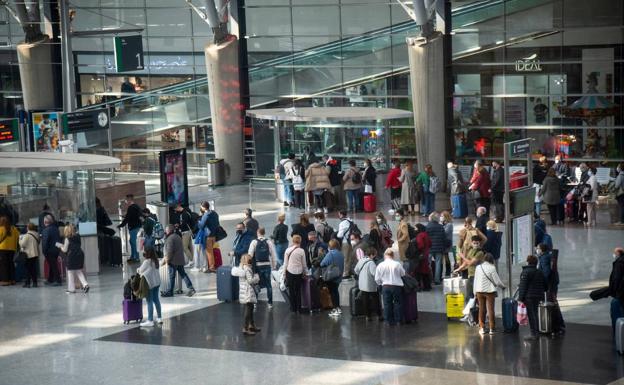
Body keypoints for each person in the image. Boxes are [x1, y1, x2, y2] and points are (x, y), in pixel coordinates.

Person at [473, 253, 506, 335]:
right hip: (489, 291)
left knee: (481, 309)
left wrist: (474, 292)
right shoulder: (492, 268)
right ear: (491, 260)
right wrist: (503, 286)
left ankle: (482, 328)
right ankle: (492, 328)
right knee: (490, 310)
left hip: (479, 290)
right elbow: (497, 281)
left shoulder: (478, 267)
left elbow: (475, 280)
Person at [518, 254, 547, 341]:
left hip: (529, 297)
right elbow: (546, 285)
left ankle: (534, 334)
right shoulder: (540, 272)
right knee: (535, 313)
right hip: (538, 296)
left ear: (528, 262)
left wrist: (520, 299)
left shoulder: (526, 272)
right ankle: (536, 332)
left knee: (532, 315)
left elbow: (523, 286)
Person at [161, 225, 195, 297]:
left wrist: (167, 260)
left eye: (166, 230)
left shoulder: (170, 238)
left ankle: (170, 292)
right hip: (180, 259)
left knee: (172, 277)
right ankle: (191, 288)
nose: (165, 231)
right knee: (183, 274)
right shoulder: (177, 236)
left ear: (169, 230)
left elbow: (169, 251)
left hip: (173, 261)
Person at [231, 253, 261, 335]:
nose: (251, 260)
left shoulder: (242, 268)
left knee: (250, 308)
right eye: (249, 259)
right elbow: (250, 280)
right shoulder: (247, 269)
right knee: (248, 310)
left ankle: (251, 325)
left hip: (244, 291)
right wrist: (257, 277)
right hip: (248, 291)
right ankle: (246, 327)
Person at [375, 248, 405, 326]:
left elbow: (377, 279)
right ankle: (398, 320)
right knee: (398, 303)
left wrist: (380, 283)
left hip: (385, 286)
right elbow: (403, 274)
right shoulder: (397, 264)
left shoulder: (380, 265)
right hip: (396, 286)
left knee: (387, 304)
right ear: (393, 255)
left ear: (385, 256)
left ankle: (388, 321)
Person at [454, 235, 486, 309]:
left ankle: (471, 312)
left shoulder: (480, 253)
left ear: (480, 243)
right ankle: (470, 312)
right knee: (470, 295)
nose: (475, 245)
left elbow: (471, 263)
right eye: (474, 243)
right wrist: (459, 268)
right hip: (470, 275)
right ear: (471, 243)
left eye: (477, 243)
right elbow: (466, 262)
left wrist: (462, 256)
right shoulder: (471, 250)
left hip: (476, 276)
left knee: (471, 295)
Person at [248, 227, 276, 308]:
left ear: (258, 233)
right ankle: (270, 303)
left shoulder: (254, 242)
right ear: (264, 233)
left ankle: (255, 302)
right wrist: (273, 266)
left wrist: (249, 266)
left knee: (256, 283)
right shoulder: (268, 242)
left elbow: (250, 255)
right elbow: (273, 255)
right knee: (268, 285)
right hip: (267, 265)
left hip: (257, 266)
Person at [56, 224, 89, 294]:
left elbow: (65, 250)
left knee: (70, 272)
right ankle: (85, 285)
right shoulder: (78, 236)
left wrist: (60, 246)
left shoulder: (67, 239)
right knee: (79, 271)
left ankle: (71, 289)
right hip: (80, 254)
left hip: (72, 256)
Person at [137, 248, 162, 327]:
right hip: (157, 283)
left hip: (149, 284)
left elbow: (140, 270)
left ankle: (150, 320)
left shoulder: (147, 262)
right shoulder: (156, 260)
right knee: (156, 300)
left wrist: (137, 269)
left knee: (149, 301)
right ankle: (159, 317)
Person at [354, 248, 381, 320]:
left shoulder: (361, 260)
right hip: (370, 285)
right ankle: (379, 315)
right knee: (375, 300)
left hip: (362, 284)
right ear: (371, 255)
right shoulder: (371, 263)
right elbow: (374, 273)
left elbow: (356, 270)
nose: (375, 256)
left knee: (365, 300)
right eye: (375, 254)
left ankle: (368, 316)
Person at [283, 235, 308, 313]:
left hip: (290, 272)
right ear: (300, 241)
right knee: (298, 291)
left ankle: (293, 308)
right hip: (299, 272)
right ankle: (299, 308)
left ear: (293, 241)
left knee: (291, 290)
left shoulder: (287, 250)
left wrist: (284, 274)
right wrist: (306, 273)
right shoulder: (302, 251)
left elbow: (285, 263)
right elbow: (304, 264)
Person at [320, 239, 345, 317]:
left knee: (333, 293)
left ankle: (336, 309)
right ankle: (338, 309)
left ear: (330, 246)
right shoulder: (341, 254)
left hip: (331, 277)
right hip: (338, 276)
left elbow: (322, 263)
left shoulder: (330, 254)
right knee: (335, 292)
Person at [118, 194, 142, 263]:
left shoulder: (131, 208)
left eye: (126, 199)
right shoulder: (136, 206)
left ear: (129, 200)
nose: (125, 201)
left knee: (133, 242)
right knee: (131, 241)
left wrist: (120, 225)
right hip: (136, 226)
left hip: (133, 227)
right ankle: (133, 256)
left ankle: (136, 257)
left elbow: (127, 219)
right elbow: (131, 216)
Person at [197, 201, 220, 272]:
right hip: (214, 235)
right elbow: (217, 223)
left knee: (209, 252)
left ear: (204, 207)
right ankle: (211, 266)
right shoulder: (214, 213)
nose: (201, 208)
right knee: (211, 251)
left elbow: (201, 226)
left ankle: (211, 267)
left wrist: (198, 222)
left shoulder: (206, 215)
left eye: (201, 207)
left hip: (208, 237)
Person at [426, 212, 446, 285]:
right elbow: (444, 237)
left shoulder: (427, 226)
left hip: (430, 248)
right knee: (438, 264)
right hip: (439, 248)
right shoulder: (440, 227)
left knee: (428, 264)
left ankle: (429, 279)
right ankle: (437, 280)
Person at [41, 215, 62, 286]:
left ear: (45, 222)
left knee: (53, 265)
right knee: (52, 265)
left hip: (49, 251)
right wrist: (58, 249)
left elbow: (45, 242)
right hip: (56, 250)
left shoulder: (46, 230)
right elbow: (59, 239)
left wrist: (44, 251)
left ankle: (58, 280)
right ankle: (50, 279)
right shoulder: (56, 229)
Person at [336, 210, 357, 278]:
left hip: (345, 242)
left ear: (341, 215)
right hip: (352, 241)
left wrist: (336, 233)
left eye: (339, 215)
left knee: (345, 258)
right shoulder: (350, 221)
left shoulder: (342, 223)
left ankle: (345, 272)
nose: (338, 216)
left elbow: (340, 235)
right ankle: (350, 270)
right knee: (350, 257)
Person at [19, 223, 40, 288]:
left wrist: (20, 239)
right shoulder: (37, 234)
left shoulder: (27, 235)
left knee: (28, 269)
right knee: (33, 269)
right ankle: (35, 283)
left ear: (28, 228)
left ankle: (27, 283)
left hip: (28, 254)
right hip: (35, 253)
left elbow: (22, 244)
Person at [608, 248, 624, 332]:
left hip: (620, 295)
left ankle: (617, 332)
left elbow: (616, 279)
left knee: (615, 305)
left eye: (614, 253)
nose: (613, 254)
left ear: (618, 253)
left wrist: (616, 292)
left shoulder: (619, 262)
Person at [0, 216, 19, 286]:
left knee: (4, 265)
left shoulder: (1, 229)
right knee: (11, 264)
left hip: (2, 249)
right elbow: (18, 237)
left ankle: (5, 280)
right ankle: (12, 280)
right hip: (12, 249)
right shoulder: (14, 228)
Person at [414, 223, 432, 291]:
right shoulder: (426, 234)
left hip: (421, 255)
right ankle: (427, 286)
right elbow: (430, 243)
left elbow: (420, 245)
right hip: (426, 254)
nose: (414, 229)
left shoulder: (420, 235)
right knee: (426, 271)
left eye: (415, 228)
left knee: (418, 271)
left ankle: (419, 286)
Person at [441, 211, 454, 277]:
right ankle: (446, 271)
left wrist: (440, 228)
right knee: (445, 257)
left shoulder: (449, 224)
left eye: (442, 216)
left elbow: (445, 232)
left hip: (447, 243)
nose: (441, 217)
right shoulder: (443, 224)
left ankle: (448, 271)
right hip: (443, 243)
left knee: (447, 257)